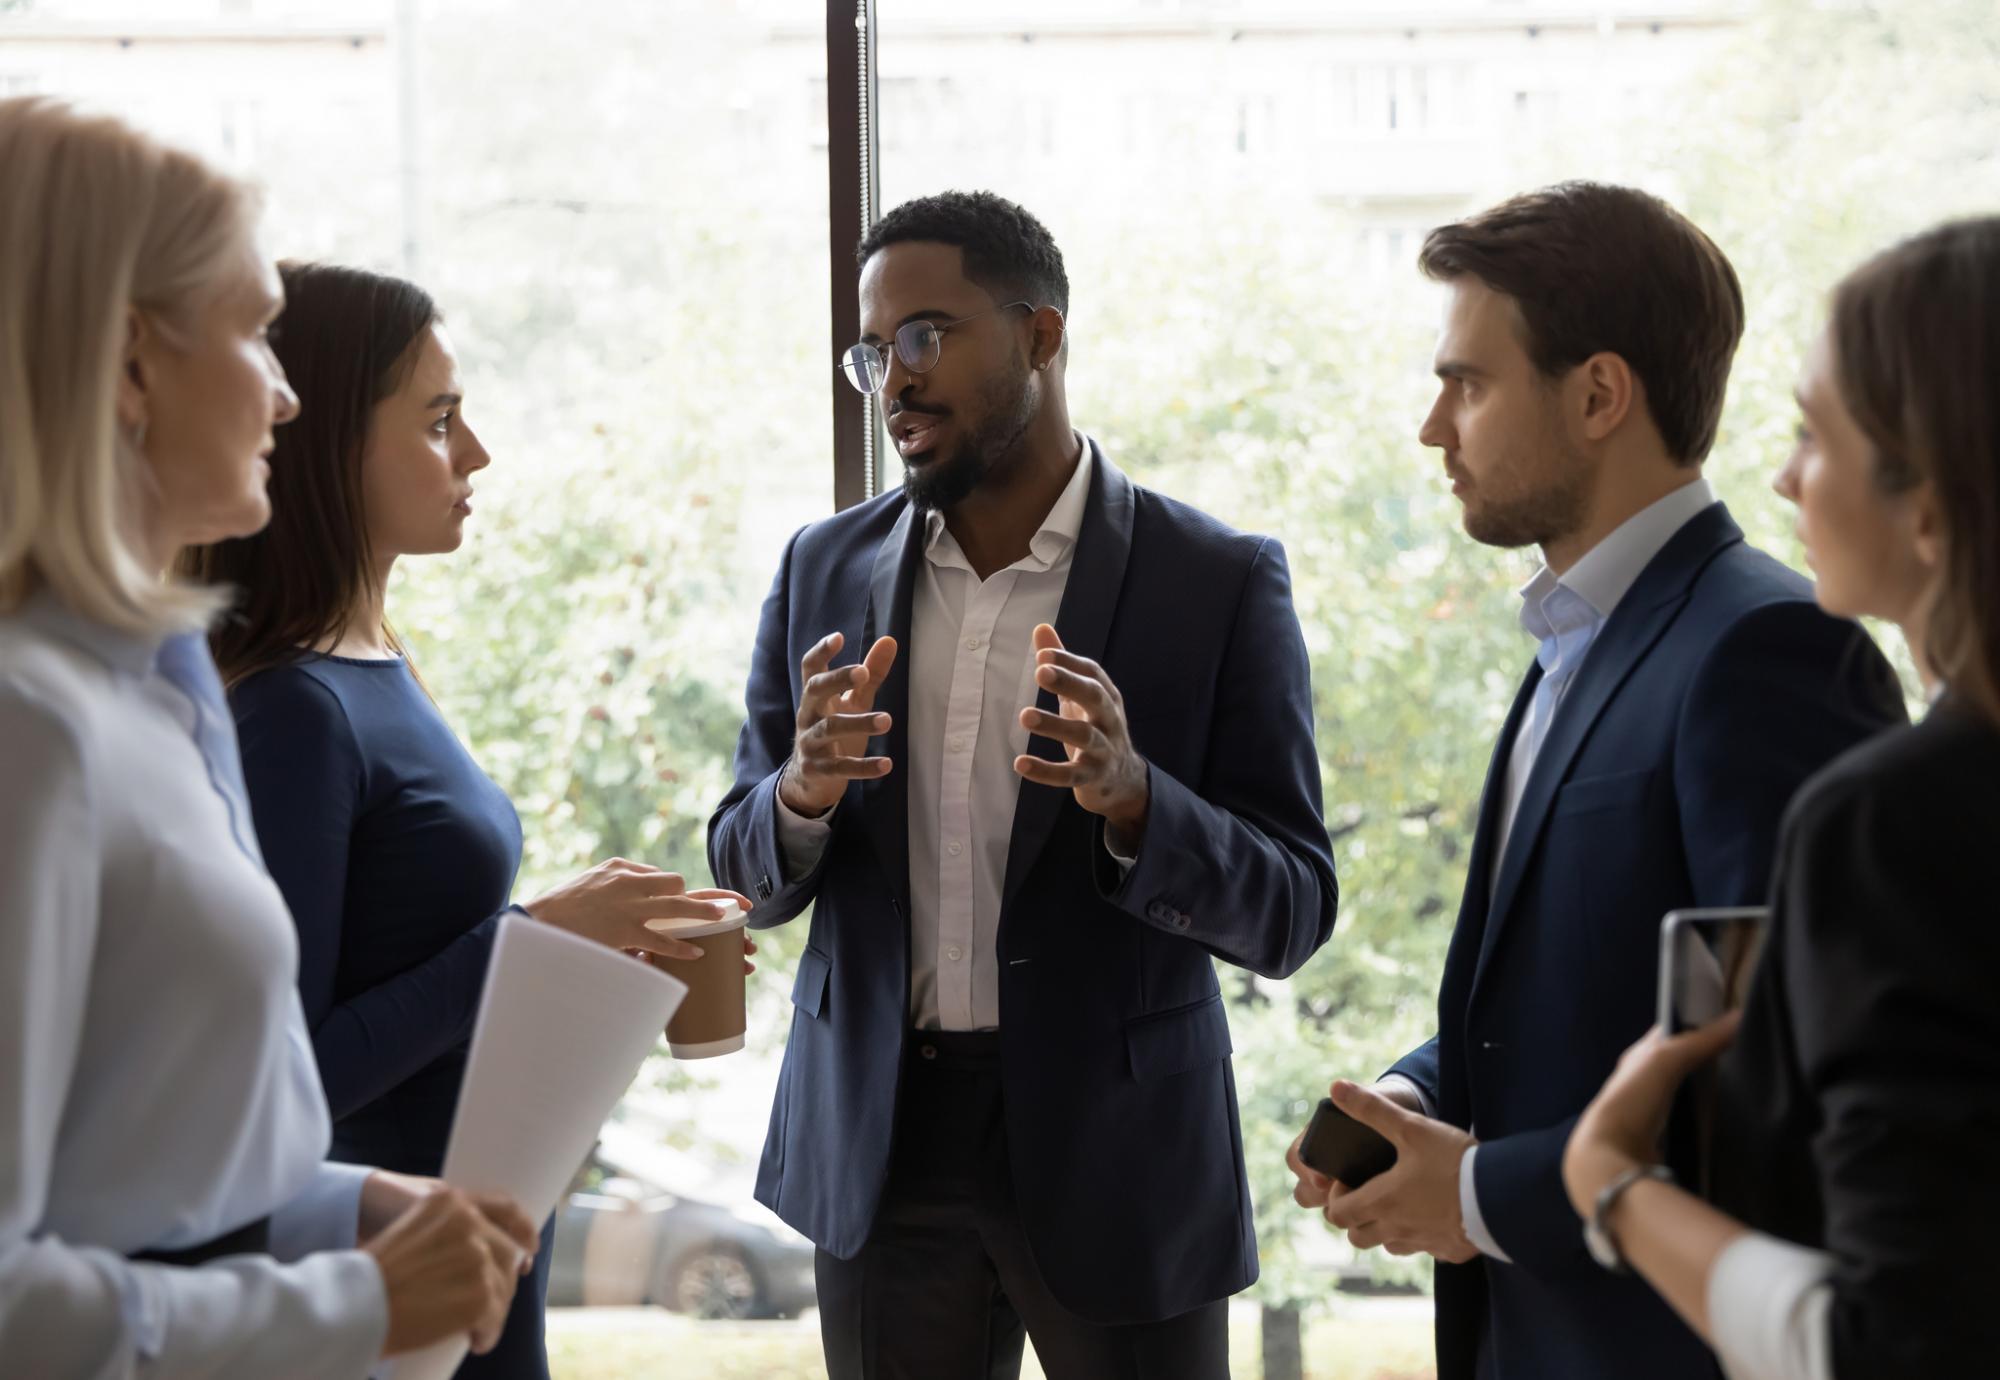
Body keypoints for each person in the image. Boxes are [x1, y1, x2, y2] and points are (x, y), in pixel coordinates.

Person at [707, 190, 1339, 1378]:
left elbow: (1294, 906)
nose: (892, 378)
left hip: (1121, 1159)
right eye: (871, 350)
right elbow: (741, 865)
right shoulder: (820, 567)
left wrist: (1135, 799)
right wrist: (797, 792)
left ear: (1041, 336)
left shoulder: (1213, 581)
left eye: (925, 336)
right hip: (880, 1155)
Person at [1283, 181, 1905, 1380]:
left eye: (1465, 382)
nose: (1430, 426)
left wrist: (1471, 1194)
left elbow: (1767, 1073)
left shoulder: (1765, 649)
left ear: (1597, 394)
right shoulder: (1570, 646)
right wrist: (1417, 1096)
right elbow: (1582, 992)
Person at [0, 97, 536, 1376]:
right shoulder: (31, 730)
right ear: (130, 368)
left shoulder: (163, 686)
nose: (288, 398)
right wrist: (346, 1305)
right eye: (254, 333)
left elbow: (145, 1185)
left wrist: (337, 1210)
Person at [179, 261, 753, 1378]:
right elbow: (289, 1082)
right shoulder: (294, 710)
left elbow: (430, 974)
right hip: (389, 1278)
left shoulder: (379, 665)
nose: (475, 453)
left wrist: (571, 971)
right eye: (439, 421)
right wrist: (533, 942)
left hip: (474, 1241)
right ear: (330, 438)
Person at [1563, 216, 2000, 1379]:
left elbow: (1896, 1344)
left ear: (1929, 497)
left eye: (1815, 431)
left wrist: (1609, 1183)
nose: (1782, 474)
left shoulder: (1897, 819)